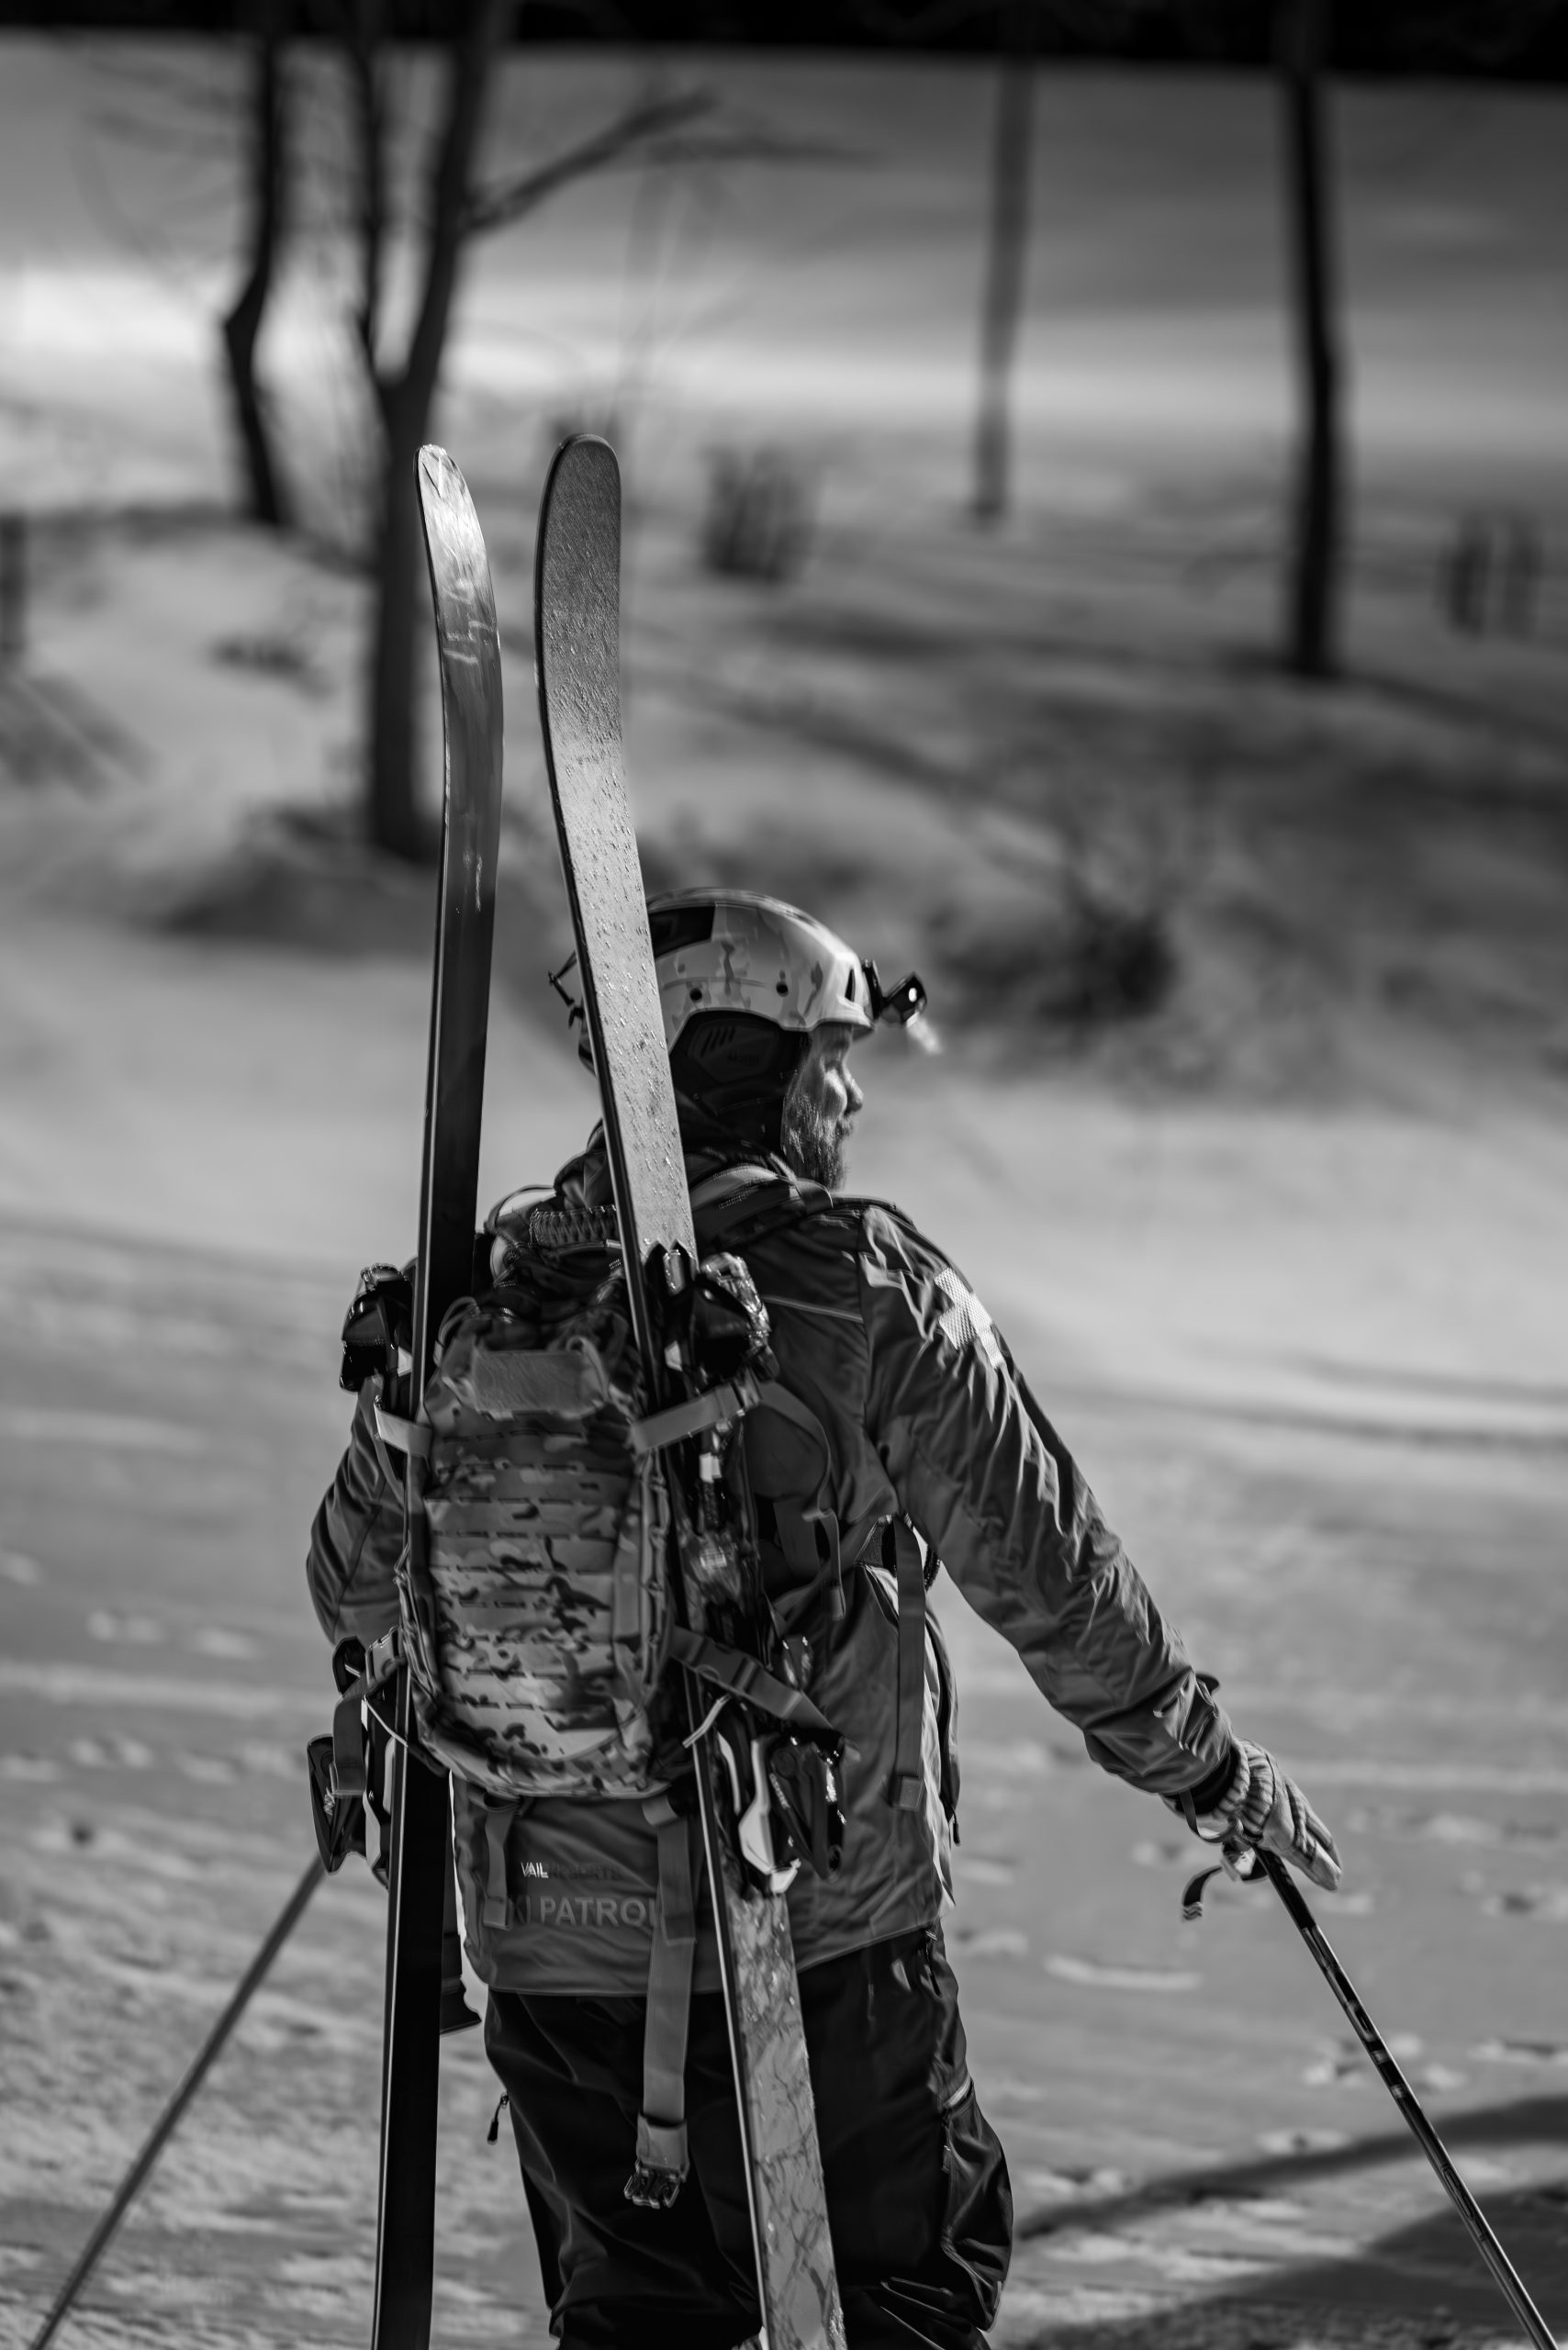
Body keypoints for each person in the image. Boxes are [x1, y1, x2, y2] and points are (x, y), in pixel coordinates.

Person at [307, 889, 1340, 2350]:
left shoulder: (493, 1295)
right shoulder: (862, 1286)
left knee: (639, 2322)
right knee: (903, 2305)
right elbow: (1049, 1570)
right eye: (829, 1062)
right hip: (812, 1936)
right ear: (748, 1063)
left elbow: (352, 1587)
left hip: (550, 1950)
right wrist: (1206, 1767)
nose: (847, 1100)